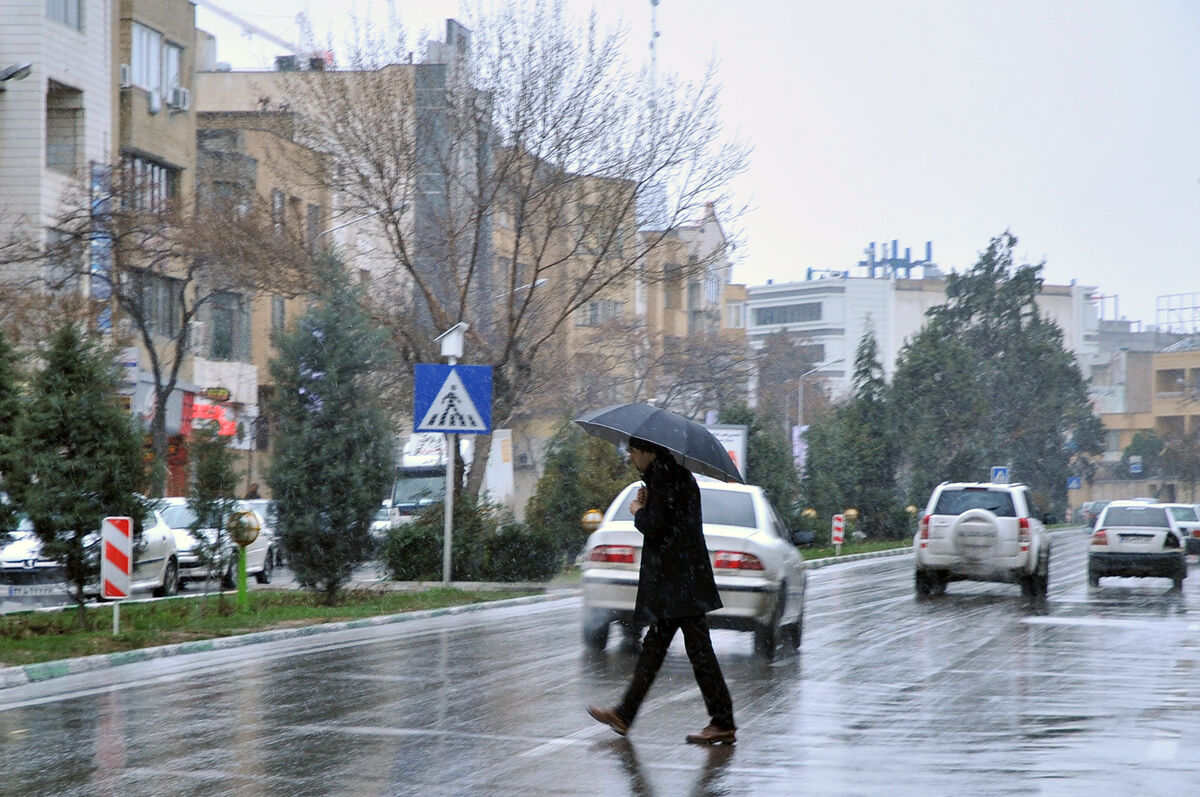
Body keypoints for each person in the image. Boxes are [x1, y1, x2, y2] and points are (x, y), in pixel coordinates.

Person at [588, 437, 736, 745]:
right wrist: (649, 498)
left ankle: (722, 721)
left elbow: (655, 525)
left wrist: (639, 509)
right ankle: (625, 714)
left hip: (679, 581)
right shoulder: (670, 476)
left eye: (632, 451)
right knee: (657, 649)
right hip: (679, 580)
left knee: (697, 652)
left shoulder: (667, 478)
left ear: (648, 452)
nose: (629, 456)